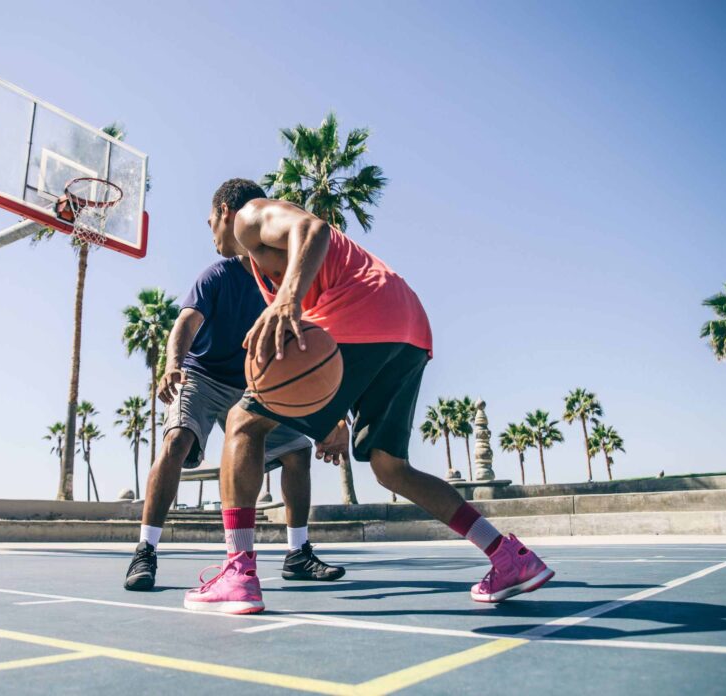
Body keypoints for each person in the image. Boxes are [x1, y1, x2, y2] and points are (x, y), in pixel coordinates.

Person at [184, 179, 554, 614]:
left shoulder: (250, 216)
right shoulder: (263, 264)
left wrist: (287, 299)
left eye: (209, 220)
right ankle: (507, 555)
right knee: (390, 466)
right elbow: (326, 364)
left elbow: (315, 228)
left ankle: (238, 573)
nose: (209, 230)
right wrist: (333, 415)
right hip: (408, 326)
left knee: (243, 422)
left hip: (361, 311)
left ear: (225, 210)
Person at [123, 251, 345, 591]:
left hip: (253, 384)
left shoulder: (283, 282)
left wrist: (333, 414)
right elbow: (186, 321)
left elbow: (313, 353)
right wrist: (173, 364)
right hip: (201, 375)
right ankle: (146, 550)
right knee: (177, 440)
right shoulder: (216, 275)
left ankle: (298, 553)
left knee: (297, 453)